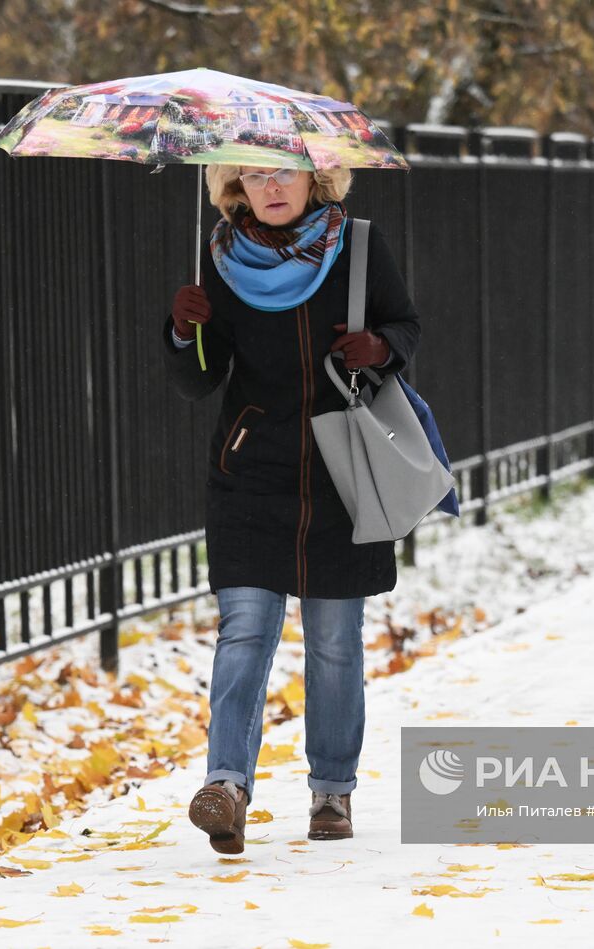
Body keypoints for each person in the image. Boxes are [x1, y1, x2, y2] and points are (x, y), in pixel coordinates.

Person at [162, 163, 421, 853]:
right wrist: (186, 332)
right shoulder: (218, 259)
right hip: (250, 472)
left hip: (343, 473)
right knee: (244, 629)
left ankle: (331, 790)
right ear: (234, 189)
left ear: (315, 179)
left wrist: (382, 347)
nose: (271, 187)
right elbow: (200, 382)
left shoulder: (358, 244)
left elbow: (407, 325)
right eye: (252, 176)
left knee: (334, 641)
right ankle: (227, 787)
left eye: (284, 173)